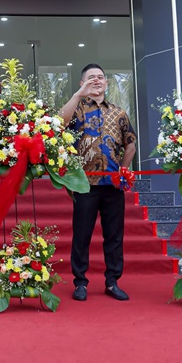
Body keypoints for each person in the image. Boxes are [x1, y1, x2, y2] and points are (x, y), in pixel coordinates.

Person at [60, 63, 136, 302]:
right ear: (83, 82)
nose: (96, 80)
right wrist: (77, 95)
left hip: (113, 186)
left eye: (100, 77)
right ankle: (80, 282)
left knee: (114, 235)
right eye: (90, 78)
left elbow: (130, 144)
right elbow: (59, 123)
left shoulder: (119, 112)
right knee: (82, 234)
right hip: (85, 185)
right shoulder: (77, 109)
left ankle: (112, 282)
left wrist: (123, 170)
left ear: (106, 83)